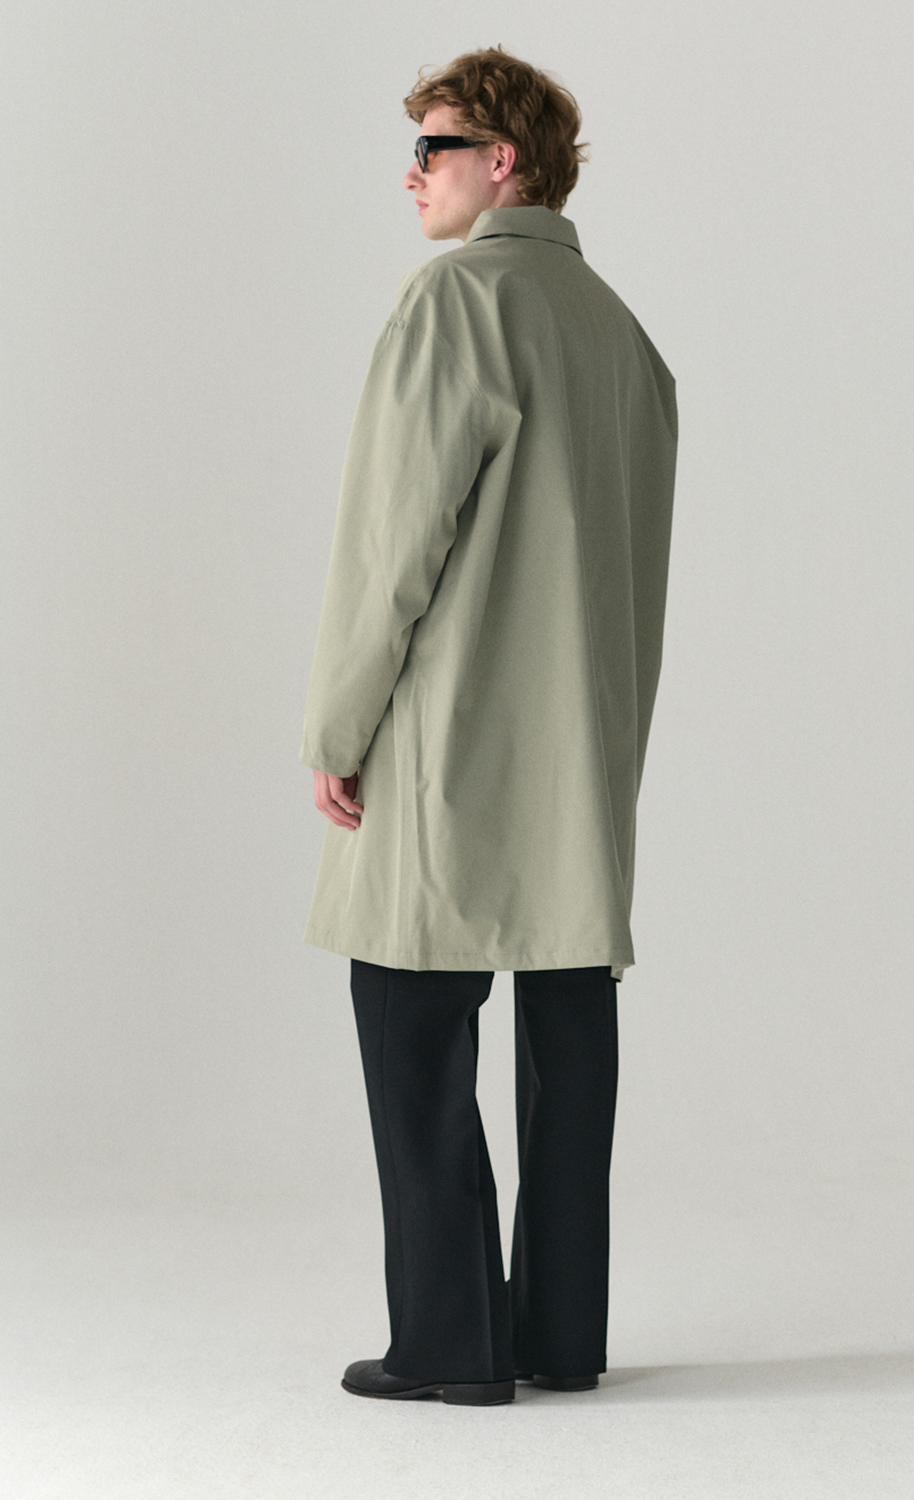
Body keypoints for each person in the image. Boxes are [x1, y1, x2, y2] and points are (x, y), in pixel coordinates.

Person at [300, 47, 678, 1406]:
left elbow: (390, 548)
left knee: (409, 1018)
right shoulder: (622, 335)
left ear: (501, 160)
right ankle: (558, 1338)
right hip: (585, 752)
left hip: (450, 739)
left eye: (434, 147)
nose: (412, 175)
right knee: (568, 1033)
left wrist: (338, 725)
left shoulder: (454, 303)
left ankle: (452, 1346)